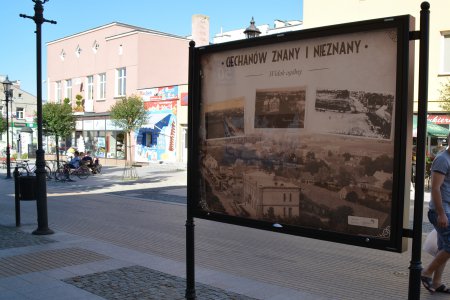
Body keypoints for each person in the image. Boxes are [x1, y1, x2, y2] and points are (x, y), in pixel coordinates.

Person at [421, 136, 450, 294]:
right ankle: (426, 273)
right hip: (441, 212)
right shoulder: (442, 159)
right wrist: (441, 214)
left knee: (443, 248)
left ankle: (437, 282)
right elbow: (435, 188)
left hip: (447, 210)